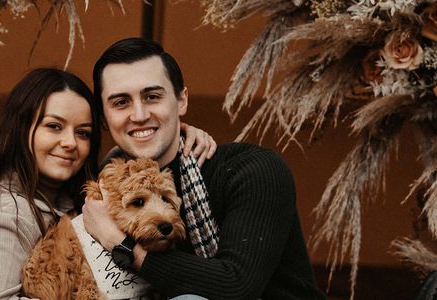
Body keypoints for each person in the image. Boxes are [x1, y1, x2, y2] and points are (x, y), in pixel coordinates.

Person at [0, 67, 215, 300]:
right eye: (54, 126)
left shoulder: (72, 200)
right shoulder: (8, 214)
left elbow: (128, 170)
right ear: (21, 130)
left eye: (82, 133)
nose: (70, 143)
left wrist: (179, 135)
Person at [83, 37, 326, 300]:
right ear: (104, 118)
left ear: (181, 101)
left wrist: (122, 245)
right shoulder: (101, 194)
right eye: (121, 102)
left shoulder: (252, 171)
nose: (139, 114)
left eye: (152, 96)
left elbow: (235, 286)